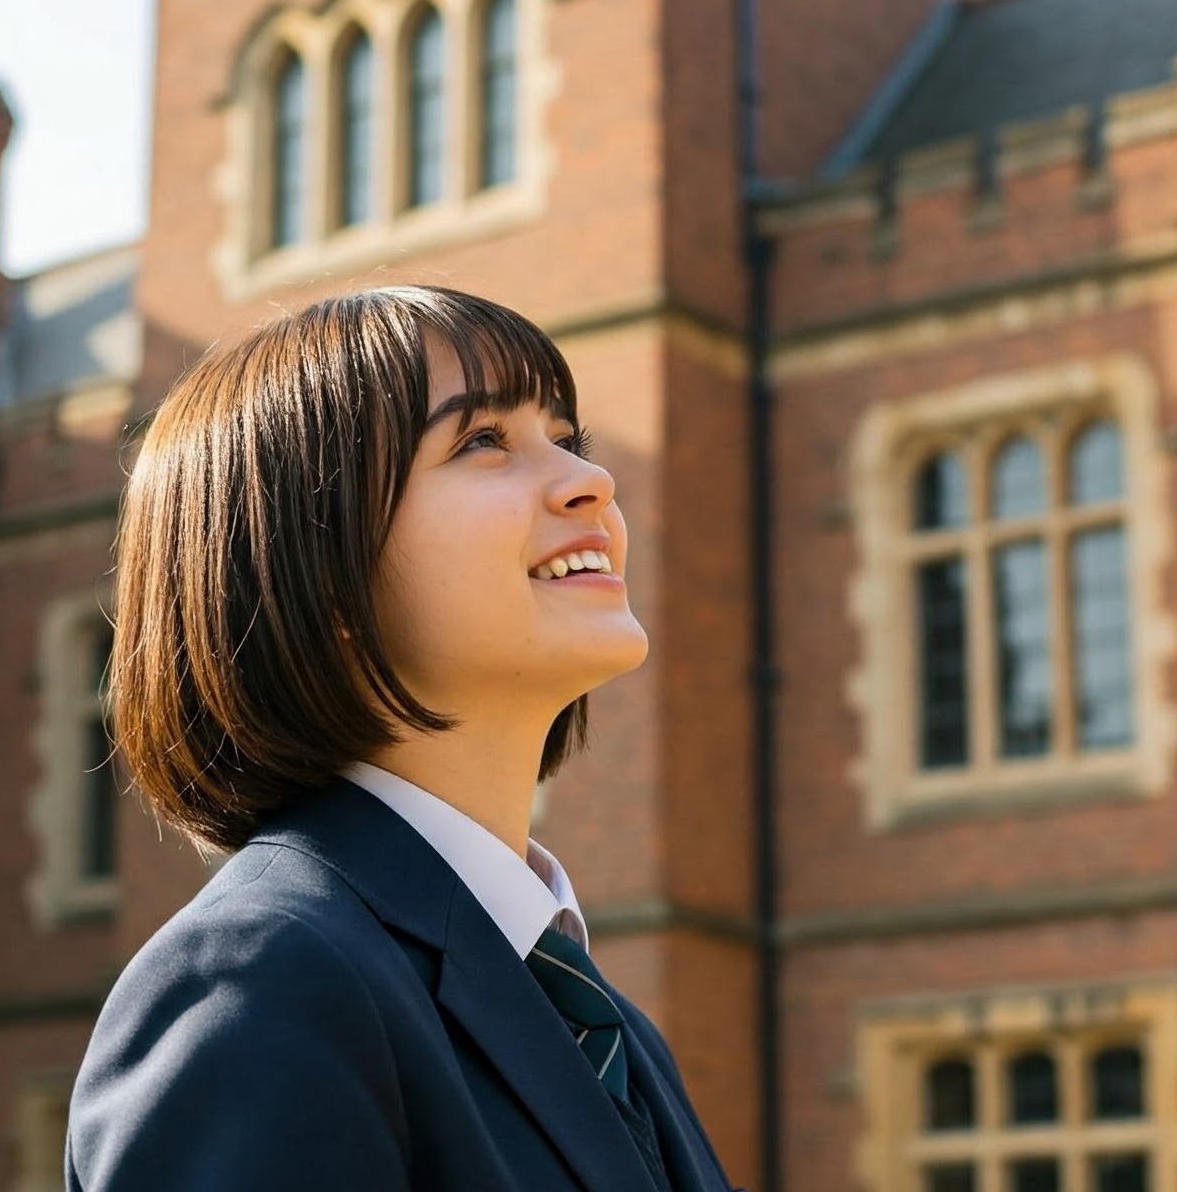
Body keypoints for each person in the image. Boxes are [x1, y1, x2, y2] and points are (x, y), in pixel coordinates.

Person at [67, 287, 737, 1192]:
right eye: (482, 440)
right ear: (317, 572)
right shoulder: (259, 979)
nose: (593, 481)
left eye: (565, 438)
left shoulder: (611, 1027)